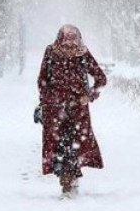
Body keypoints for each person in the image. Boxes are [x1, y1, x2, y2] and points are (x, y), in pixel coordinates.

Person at [37, 24, 107, 196]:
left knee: (74, 146)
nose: (69, 49)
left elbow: (101, 79)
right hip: (55, 110)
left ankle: (70, 182)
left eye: (73, 45)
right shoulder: (51, 53)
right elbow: (42, 80)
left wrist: (89, 96)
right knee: (58, 146)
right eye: (66, 45)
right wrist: (47, 100)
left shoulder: (83, 55)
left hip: (77, 111)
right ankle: (66, 179)